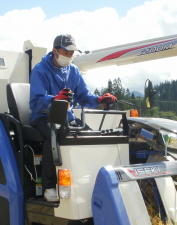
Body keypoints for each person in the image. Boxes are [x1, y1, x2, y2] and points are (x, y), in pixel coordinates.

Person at [29, 34, 117, 202]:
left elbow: (83, 96)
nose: (69, 56)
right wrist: (55, 99)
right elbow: (35, 103)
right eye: (66, 52)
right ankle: (49, 187)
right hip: (43, 117)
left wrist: (99, 99)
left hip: (65, 117)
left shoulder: (73, 70)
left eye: (72, 53)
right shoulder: (40, 71)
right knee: (55, 136)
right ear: (55, 51)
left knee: (89, 136)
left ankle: (88, 181)